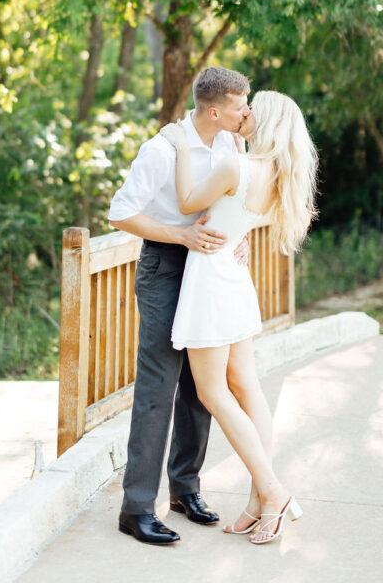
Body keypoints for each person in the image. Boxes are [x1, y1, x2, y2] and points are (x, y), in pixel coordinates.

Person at [159, 89, 318, 545]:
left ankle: (273, 492)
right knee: (246, 386)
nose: (244, 112)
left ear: (264, 121)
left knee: (213, 391)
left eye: (252, 109)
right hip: (233, 274)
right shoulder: (277, 176)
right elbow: (236, 219)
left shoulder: (236, 167)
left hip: (212, 278)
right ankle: (257, 500)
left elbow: (189, 201)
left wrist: (177, 144)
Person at [108, 66, 252, 546]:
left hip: (209, 267)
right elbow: (122, 211)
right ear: (215, 110)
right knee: (159, 385)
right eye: (240, 105)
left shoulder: (232, 145)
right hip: (166, 267)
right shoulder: (161, 148)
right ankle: (136, 509)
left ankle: (184, 491)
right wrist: (182, 236)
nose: (246, 112)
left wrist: (240, 238)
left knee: (200, 385)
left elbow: (234, 201)